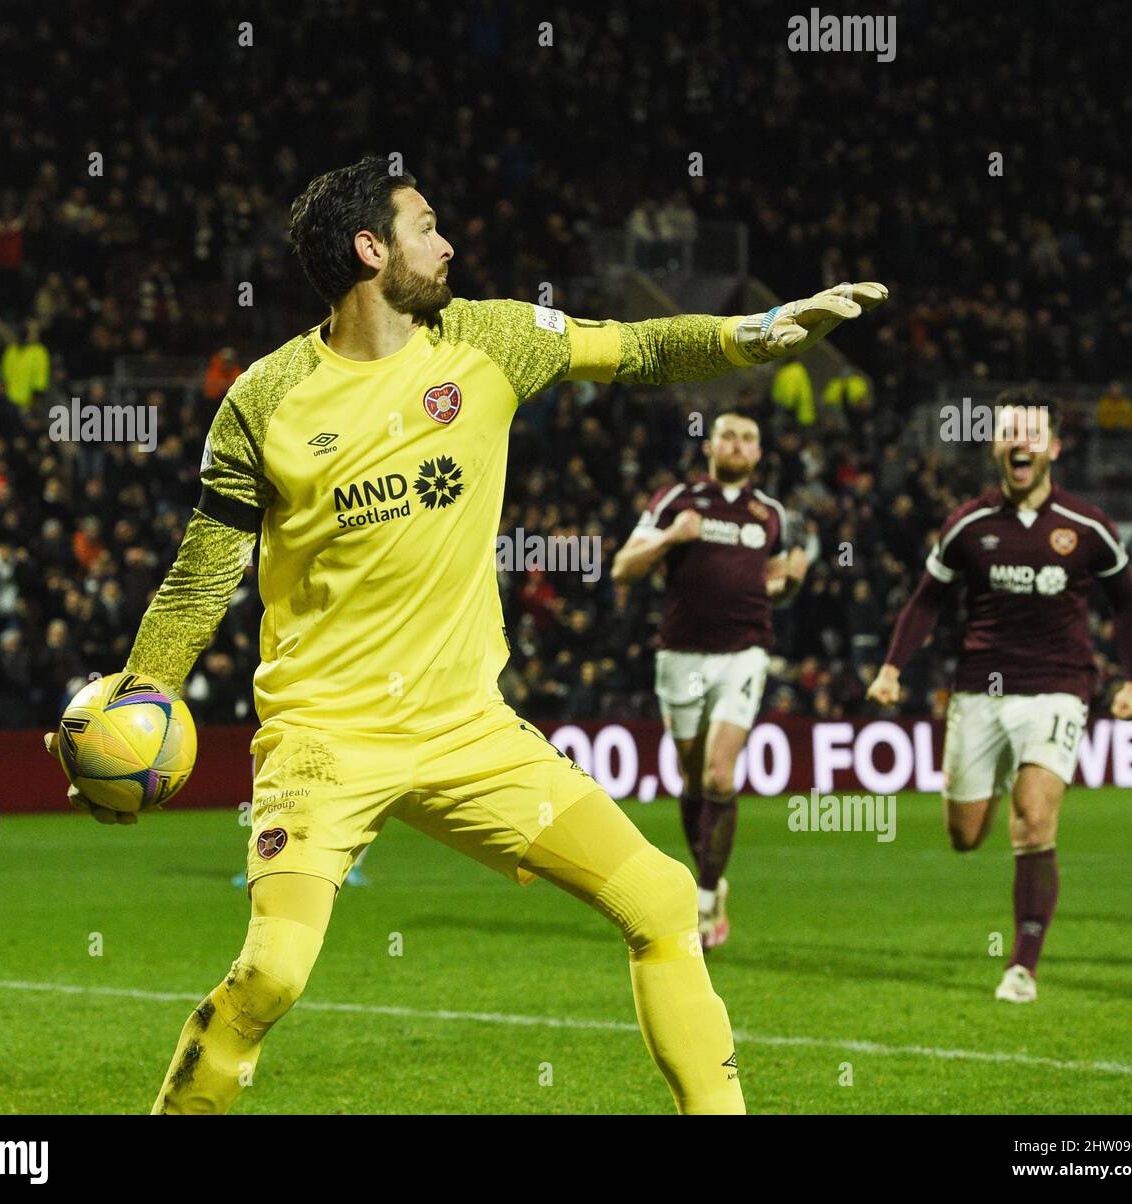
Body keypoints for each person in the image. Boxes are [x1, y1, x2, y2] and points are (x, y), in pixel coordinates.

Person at [45, 153, 886, 1114]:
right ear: (371, 249)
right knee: (271, 976)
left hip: (468, 731)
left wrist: (764, 331)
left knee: (660, 901)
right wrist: (137, 697)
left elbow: (641, 347)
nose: (448, 244)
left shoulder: (490, 337)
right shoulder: (264, 400)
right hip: (324, 738)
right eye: (426, 226)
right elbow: (205, 571)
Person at [866, 390, 1132, 1003]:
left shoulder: (1088, 526)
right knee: (965, 837)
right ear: (995, 445)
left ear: (1053, 447)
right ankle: (991, 782)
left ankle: (1022, 965)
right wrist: (892, 668)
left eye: (1033, 432)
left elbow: (1125, 601)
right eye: (1010, 432)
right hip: (979, 693)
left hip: (1059, 688)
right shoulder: (967, 524)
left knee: (1035, 820)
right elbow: (927, 600)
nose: (1021, 442)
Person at [612, 413, 808, 948]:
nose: (738, 445)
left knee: (721, 777)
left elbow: (772, 587)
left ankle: (702, 895)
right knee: (695, 781)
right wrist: (671, 538)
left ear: (759, 453)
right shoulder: (676, 499)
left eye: (749, 437)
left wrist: (789, 583)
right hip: (680, 655)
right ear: (709, 445)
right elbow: (622, 568)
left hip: (743, 654)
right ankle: (712, 877)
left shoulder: (770, 514)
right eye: (729, 436)